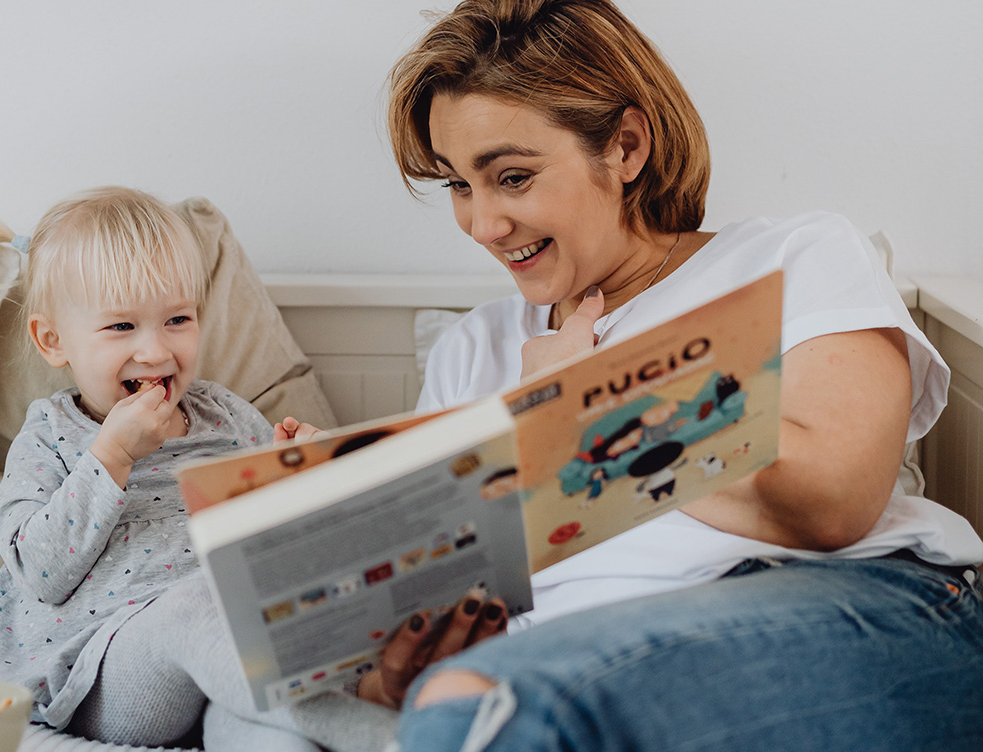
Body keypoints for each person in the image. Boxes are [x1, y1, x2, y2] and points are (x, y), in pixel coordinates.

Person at [366, 1, 983, 749]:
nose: (484, 224)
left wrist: (577, 402)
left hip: (846, 600)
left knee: (486, 710)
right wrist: (393, 671)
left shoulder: (793, 257)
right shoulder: (472, 350)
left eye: (513, 177)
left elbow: (832, 500)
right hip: (571, 655)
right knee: (453, 698)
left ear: (625, 146)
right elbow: (453, 593)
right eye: (460, 185)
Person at [0, 186, 396, 752]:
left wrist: (300, 477)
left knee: (264, 729)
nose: (156, 351)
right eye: (121, 327)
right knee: (198, 604)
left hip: (231, 671)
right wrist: (111, 457)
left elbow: (278, 542)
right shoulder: (51, 437)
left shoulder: (225, 415)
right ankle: (396, 740)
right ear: (53, 341)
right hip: (103, 675)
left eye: (177, 319)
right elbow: (40, 570)